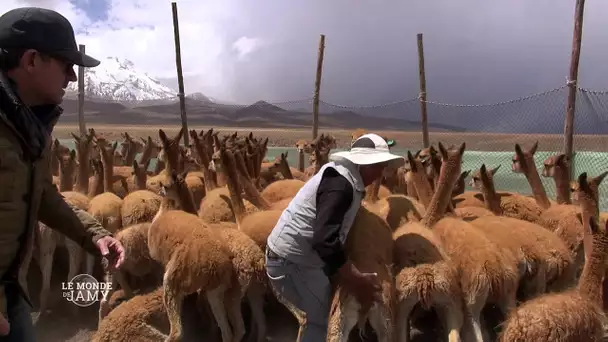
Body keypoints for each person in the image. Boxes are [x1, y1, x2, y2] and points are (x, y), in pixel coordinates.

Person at [0, 7, 126, 341]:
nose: (72, 77)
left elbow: (42, 195)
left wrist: (95, 235)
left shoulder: (31, 127)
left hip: (8, 291)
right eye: (66, 65)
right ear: (31, 60)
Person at [265, 133, 405, 341]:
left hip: (300, 259)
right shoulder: (340, 185)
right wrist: (356, 278)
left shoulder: (345, 179)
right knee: (321, 320)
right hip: (291, 262)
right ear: (364, 164)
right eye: (377, 166)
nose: (380, 174)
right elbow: (324, 240)